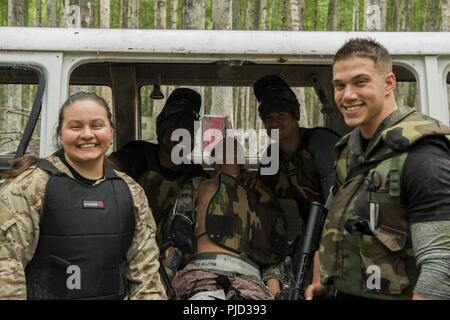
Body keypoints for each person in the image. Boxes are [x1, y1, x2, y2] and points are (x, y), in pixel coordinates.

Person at [305, 38, 450, 300]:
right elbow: (335, 221)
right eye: (339, 85)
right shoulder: (350, 151)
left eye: (360, 82)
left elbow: (442, 265)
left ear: (389, 83)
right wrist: (323, 280)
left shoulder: (423, 157)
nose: (347, 95)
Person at [0, 92, 166, 300]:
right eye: (76, 127)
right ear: (60, 133)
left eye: (96, 125)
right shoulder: (29, 188)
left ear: (111, 130)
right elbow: (6, 272)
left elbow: (146, 276)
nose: (87, 135)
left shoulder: (130, 191)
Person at [170, 137, 287, 300]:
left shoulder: (260, 194)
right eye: (223, 151)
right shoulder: (197, 185)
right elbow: (177, 232)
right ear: (212, 162)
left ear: (241, 161)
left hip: (248, 278)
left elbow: (271, 252)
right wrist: (165, 279)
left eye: (235, 151)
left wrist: (275, 293)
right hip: (202, 273)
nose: (230, 154)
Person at [252, 74, 340, 291]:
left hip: (335, 230)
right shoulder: (271, 155)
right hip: (301, 231)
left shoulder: (320, 143)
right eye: (269, 118)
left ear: (295, 117)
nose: (275, 123)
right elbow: (265, 201)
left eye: (281, 115)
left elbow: (337, 201)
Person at [109, 88, 209, 235]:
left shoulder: (193, 171)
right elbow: (106, 168)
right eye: (176, 131)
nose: (182, 139)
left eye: (188, 133)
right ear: (162, 133)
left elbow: (217, 188)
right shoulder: (137, 155)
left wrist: (245, 177)